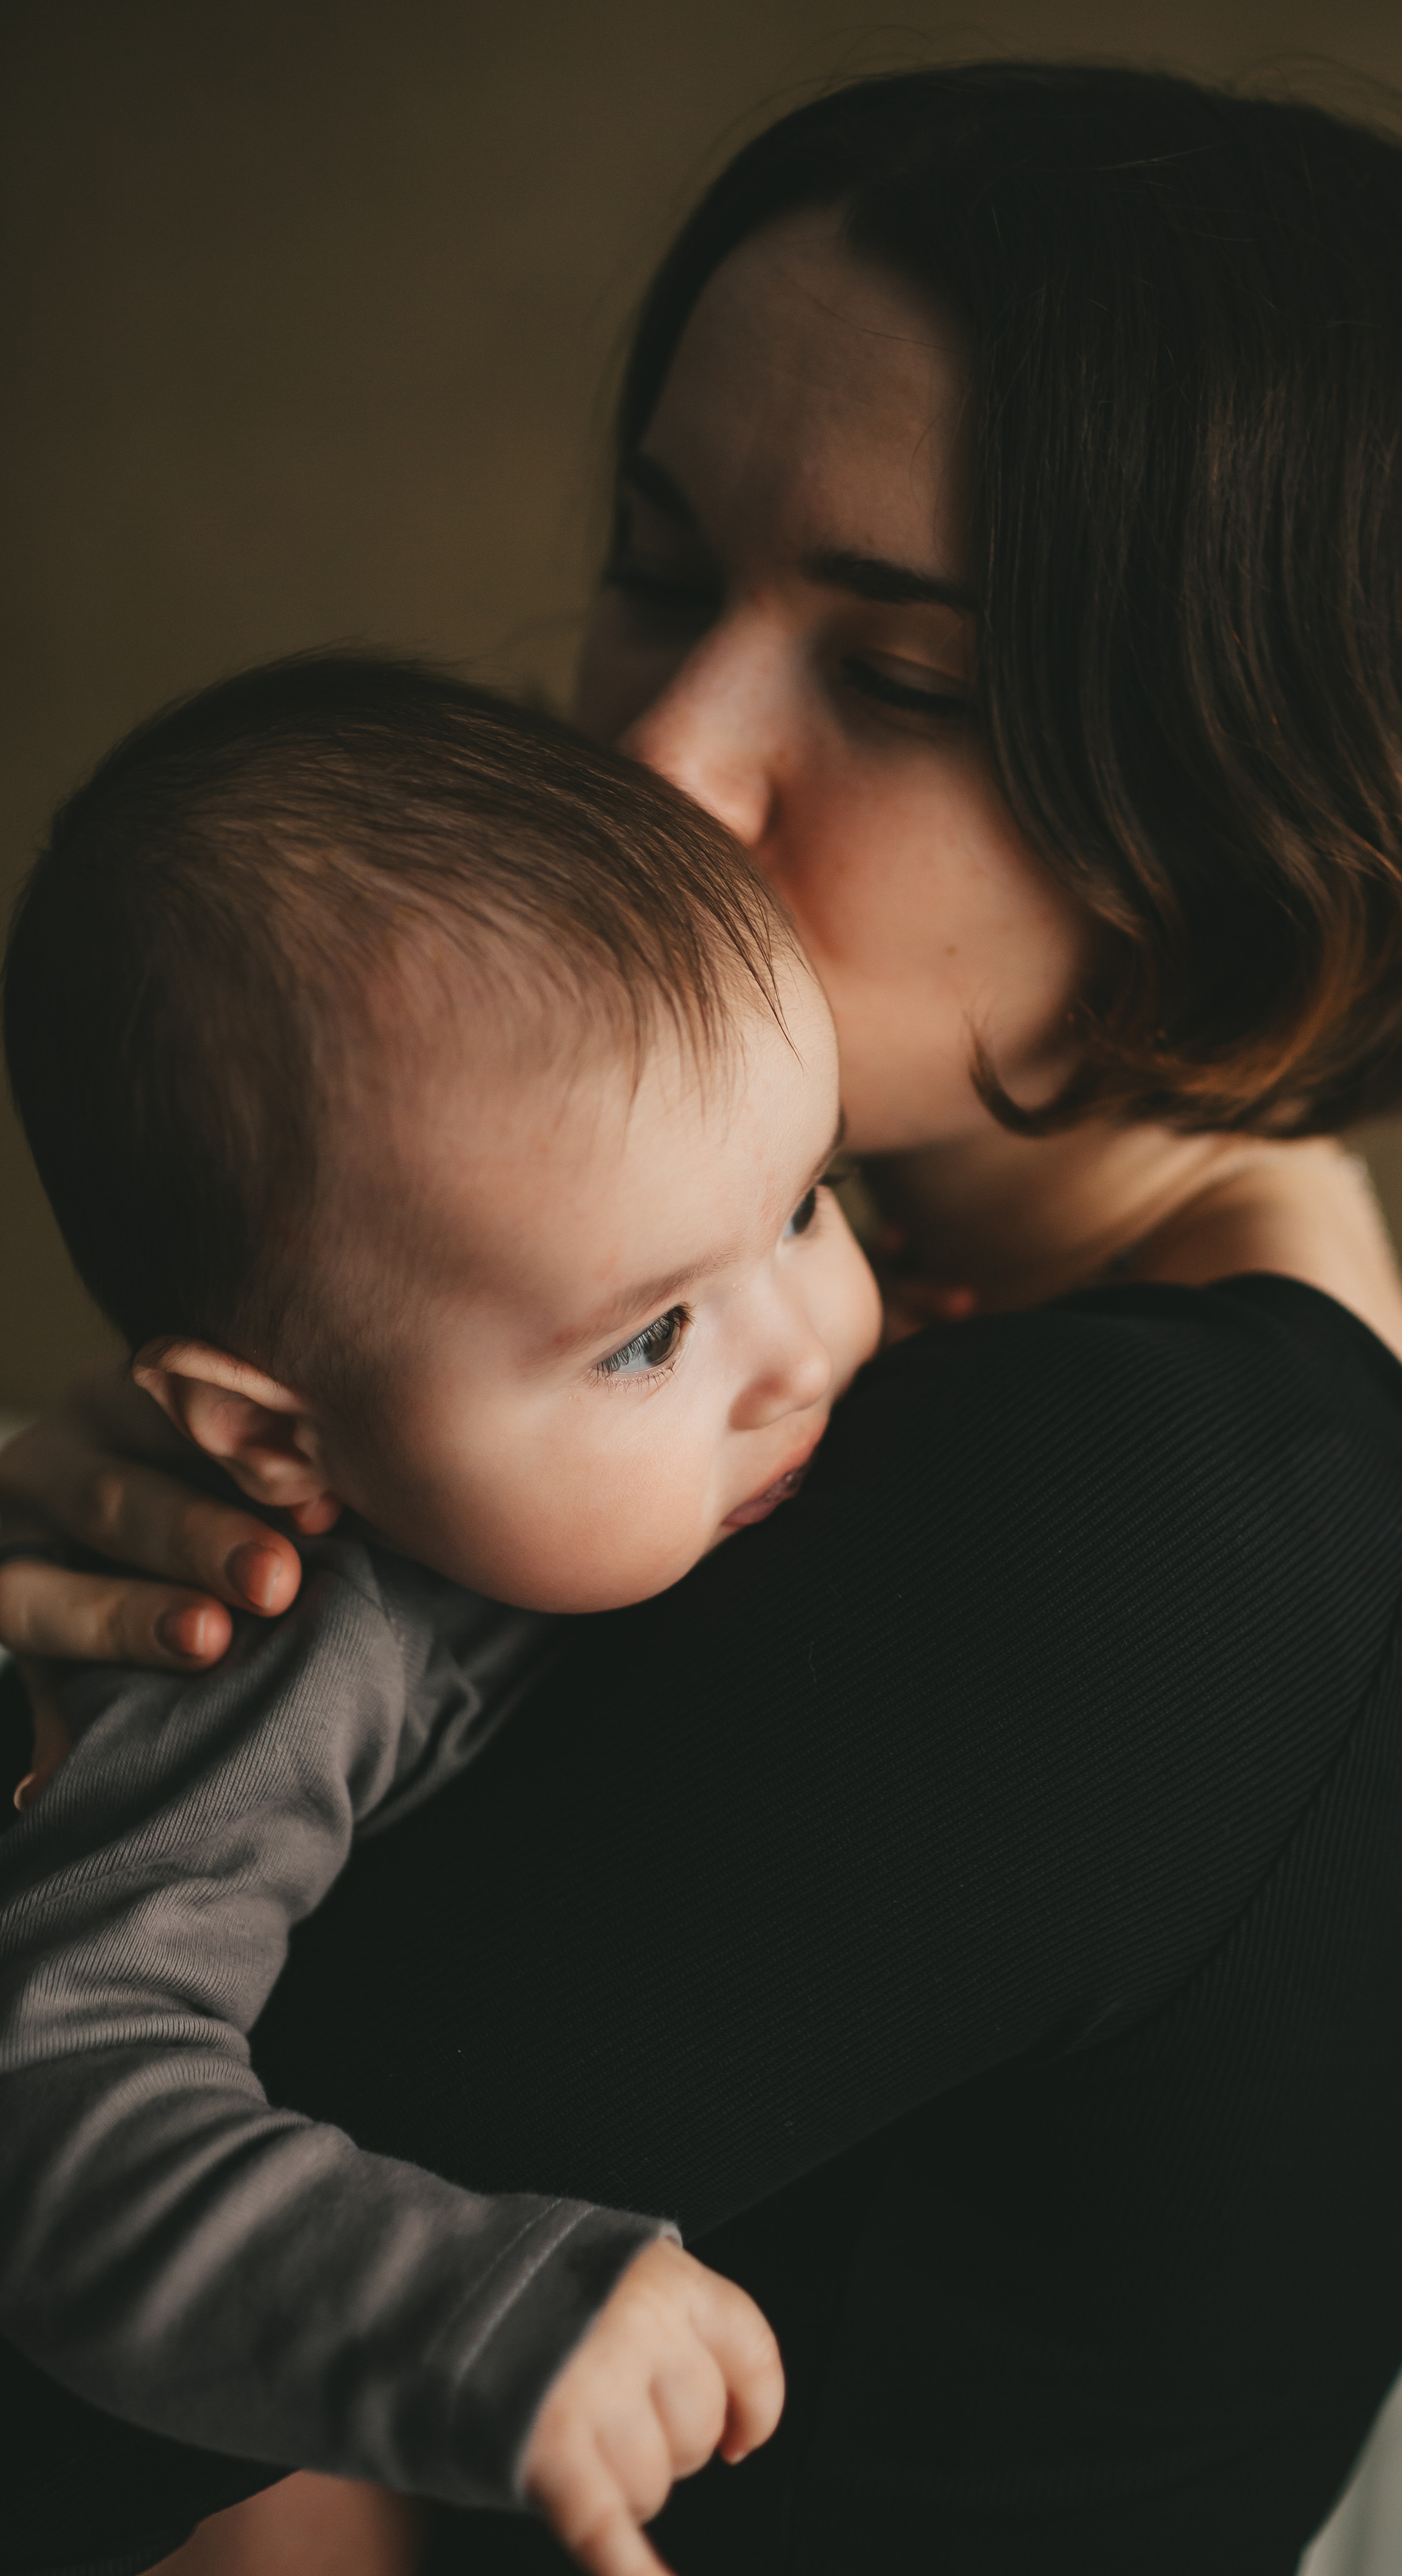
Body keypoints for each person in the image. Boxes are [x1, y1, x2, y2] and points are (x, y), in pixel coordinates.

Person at [0, 60, 1402, 2576]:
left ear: (1255, 795)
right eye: (660, 570)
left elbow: (75, 2394)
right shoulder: (1006, 1337)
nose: (659, 762)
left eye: (898, 678)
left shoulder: (1143, 1516)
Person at [1, 655, 885, 2562]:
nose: (806, 1349)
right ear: (276, 1437)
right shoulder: (278, 1654)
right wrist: (474, 2317)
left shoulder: (747, 1425)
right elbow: (57, 2111)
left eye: (813, 1199)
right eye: (649, 1336)